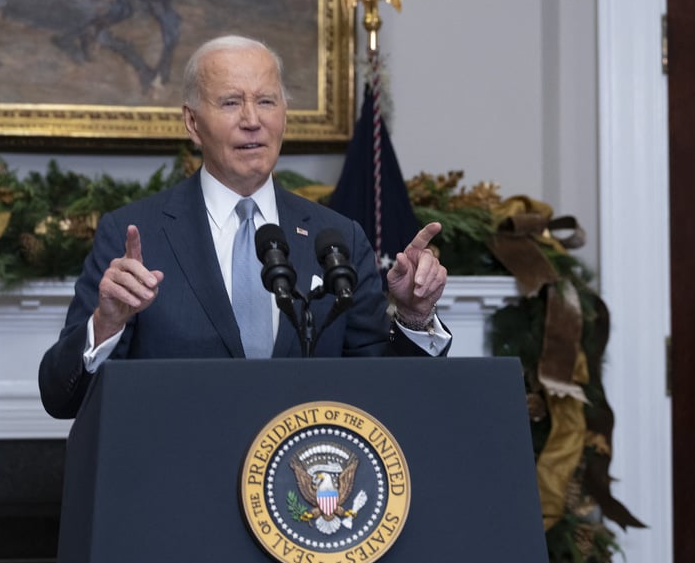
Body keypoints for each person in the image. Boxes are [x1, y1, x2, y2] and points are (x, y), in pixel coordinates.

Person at [38, 34, 451, 419]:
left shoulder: (338, 238)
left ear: (285, 116)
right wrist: (107, 325)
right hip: (177, 483)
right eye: (231, 102)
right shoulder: (134, 235)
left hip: (303, 486)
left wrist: (414, 317)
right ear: (192, 123)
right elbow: (62, 398)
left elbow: (384, 392)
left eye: (267, 101)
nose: (252, 120)